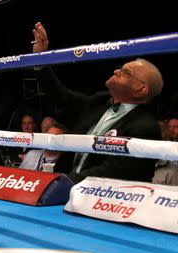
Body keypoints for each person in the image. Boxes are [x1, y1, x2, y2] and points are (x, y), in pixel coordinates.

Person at [31, 22, 163, 184]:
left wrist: (61, 183)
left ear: (141, 89)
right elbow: (60, 96)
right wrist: (40, 59)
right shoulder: (98, 102)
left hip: (102, 200)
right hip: (64, 187)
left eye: (126, 72)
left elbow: (113, 171)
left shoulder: (145, 127)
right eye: (120, 68)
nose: (116, 71)